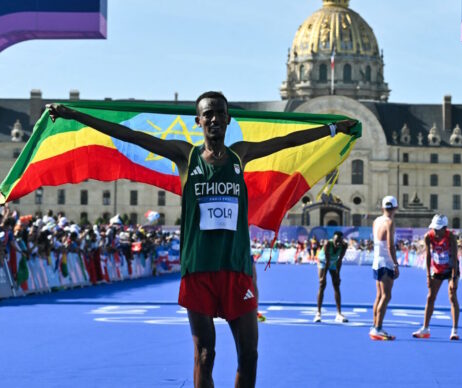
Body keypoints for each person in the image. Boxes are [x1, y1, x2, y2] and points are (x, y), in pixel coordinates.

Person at [49, 92, 356, 388]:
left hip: (236, 270)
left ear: (228, 119)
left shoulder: (241, 153)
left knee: (249, 355)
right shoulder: (186, 155)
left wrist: (331, 129)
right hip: (199, 271)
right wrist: (74, 115)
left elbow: (287, 141)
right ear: (198, 121)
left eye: (219, 113)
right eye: (207, 114)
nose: (214, 118)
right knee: (205, 355)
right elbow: (130, 135)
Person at [413, 214, 460, 340]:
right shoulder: (428, 236)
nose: (436, 231)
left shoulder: (451, 237)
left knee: (452, 295)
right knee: (430, 297)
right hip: (437, 268)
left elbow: (455, 257)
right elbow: (428, 255)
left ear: (445, 228)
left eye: (438, 229)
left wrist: (454, 278)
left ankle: (454, 330)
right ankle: (425, 328)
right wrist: (428, 275)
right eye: (434, 228)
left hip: (451, 268)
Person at [370, 195, 399, 341]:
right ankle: (378, 328)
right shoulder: (389, 222)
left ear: (382, 207)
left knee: (379, 296)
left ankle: (375, 325)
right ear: (395, 208)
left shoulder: (376, 221)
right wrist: (395, 264)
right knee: (386, 296)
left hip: (376, 261)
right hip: (386, 262)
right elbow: (390, 245)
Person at [314, 231, 348, 323]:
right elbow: (327, 261)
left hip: (333, 263)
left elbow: (339, 260)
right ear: (333, 239)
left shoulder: (344, 246)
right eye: (336, 240)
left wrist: (338, 275)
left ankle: (339, 314)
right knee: (322, 284)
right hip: (323, 262)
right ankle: (318, 313)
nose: (338, 243)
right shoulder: (327, 244)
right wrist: (323, 277)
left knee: (336, 285)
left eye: (339, 241)